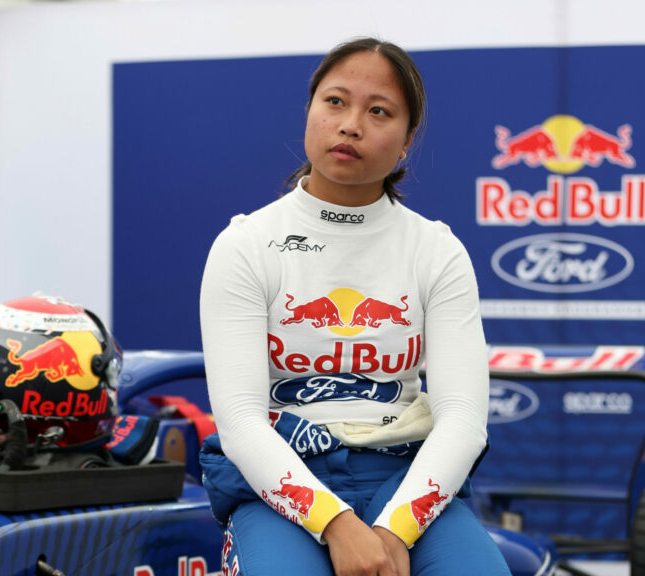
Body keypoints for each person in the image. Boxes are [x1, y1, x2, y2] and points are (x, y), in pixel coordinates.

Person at [199, 37, 511, 576]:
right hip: (281, 484)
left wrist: (394, 531)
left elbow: (463, 420)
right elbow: (242, 423)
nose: (350, 125)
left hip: (406, 479)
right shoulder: (246, 245)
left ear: (407, 140)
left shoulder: (437, 250)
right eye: (335, 102)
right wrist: (337, 525)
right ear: (310, 112)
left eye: (379, 111)